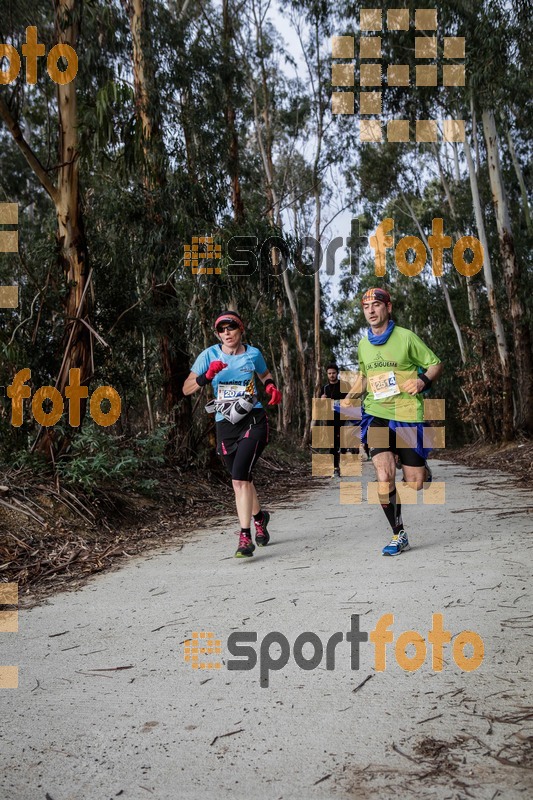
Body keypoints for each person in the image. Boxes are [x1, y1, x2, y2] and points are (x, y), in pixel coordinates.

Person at [345, 288, 443, 556]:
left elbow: (435, 364)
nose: (371, 311)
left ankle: (419, 465)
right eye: (366, 306)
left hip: (407, 414)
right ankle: (398, 533)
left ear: (388, 307)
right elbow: (365, 376)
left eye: (376, 305)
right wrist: (351, 396)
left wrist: (423, 380)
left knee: (415, 483)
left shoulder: (406, 338)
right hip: (376, 413)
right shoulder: (363, 344)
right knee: (383, 476)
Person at [183, 310, 282, 558]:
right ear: (218, 334)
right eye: (221, 330)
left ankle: (245, 536)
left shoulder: (253, 354)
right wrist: (207, 376)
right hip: (225, 423)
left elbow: (264, 373)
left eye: (231, 327)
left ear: (241, 329)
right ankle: (260, 518)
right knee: (243, 479)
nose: (227, 333)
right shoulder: (209, 355)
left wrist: (270, 386)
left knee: (239, 479)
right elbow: (186, 388)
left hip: (253, 419)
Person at [320, 363, 349, 478]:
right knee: (332, 444)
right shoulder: (325, 388)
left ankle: (344, 452)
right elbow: (320, 404)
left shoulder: (344, 386)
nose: (331, 375)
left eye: (333, 373)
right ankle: (335, 468)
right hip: (330, 419)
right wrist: (322, 400)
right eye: (329, 373)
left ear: (337, 373)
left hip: (343, 419)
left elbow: (351, 401)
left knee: (342, 442)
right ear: (327, 375)